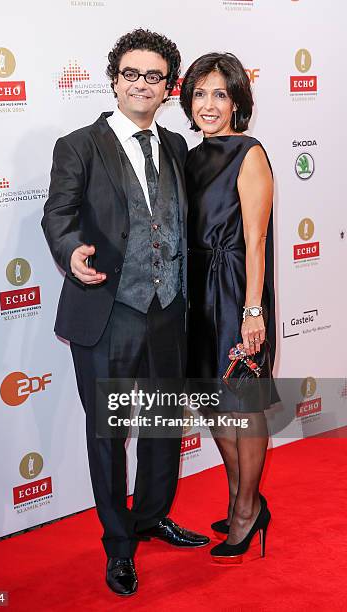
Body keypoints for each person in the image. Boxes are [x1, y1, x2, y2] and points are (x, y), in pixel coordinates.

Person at [42, 29, 209, 597]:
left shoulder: (178, 148)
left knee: (163, 424)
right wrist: (71, 253)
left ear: (169, 87)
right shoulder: (79, 145)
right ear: (114, 80)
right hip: (107, 309)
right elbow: (57, 216)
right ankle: (119, 546)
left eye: (154, 76)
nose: (142, 84)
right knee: (107, 435)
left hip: (167, 309)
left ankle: (152, 515)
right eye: (131, 74)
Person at [180, 52, 276, 563]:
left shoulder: (249, 153)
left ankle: (245, 511)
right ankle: (245, 497)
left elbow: (255, 241)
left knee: (244, 404)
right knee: (215, 403)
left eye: (220, 93)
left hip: (237, 291)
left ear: (238, 101)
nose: (209, 104)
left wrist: (253, 310)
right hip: (198, 291)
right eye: (199, 93)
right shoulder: (191, 157)